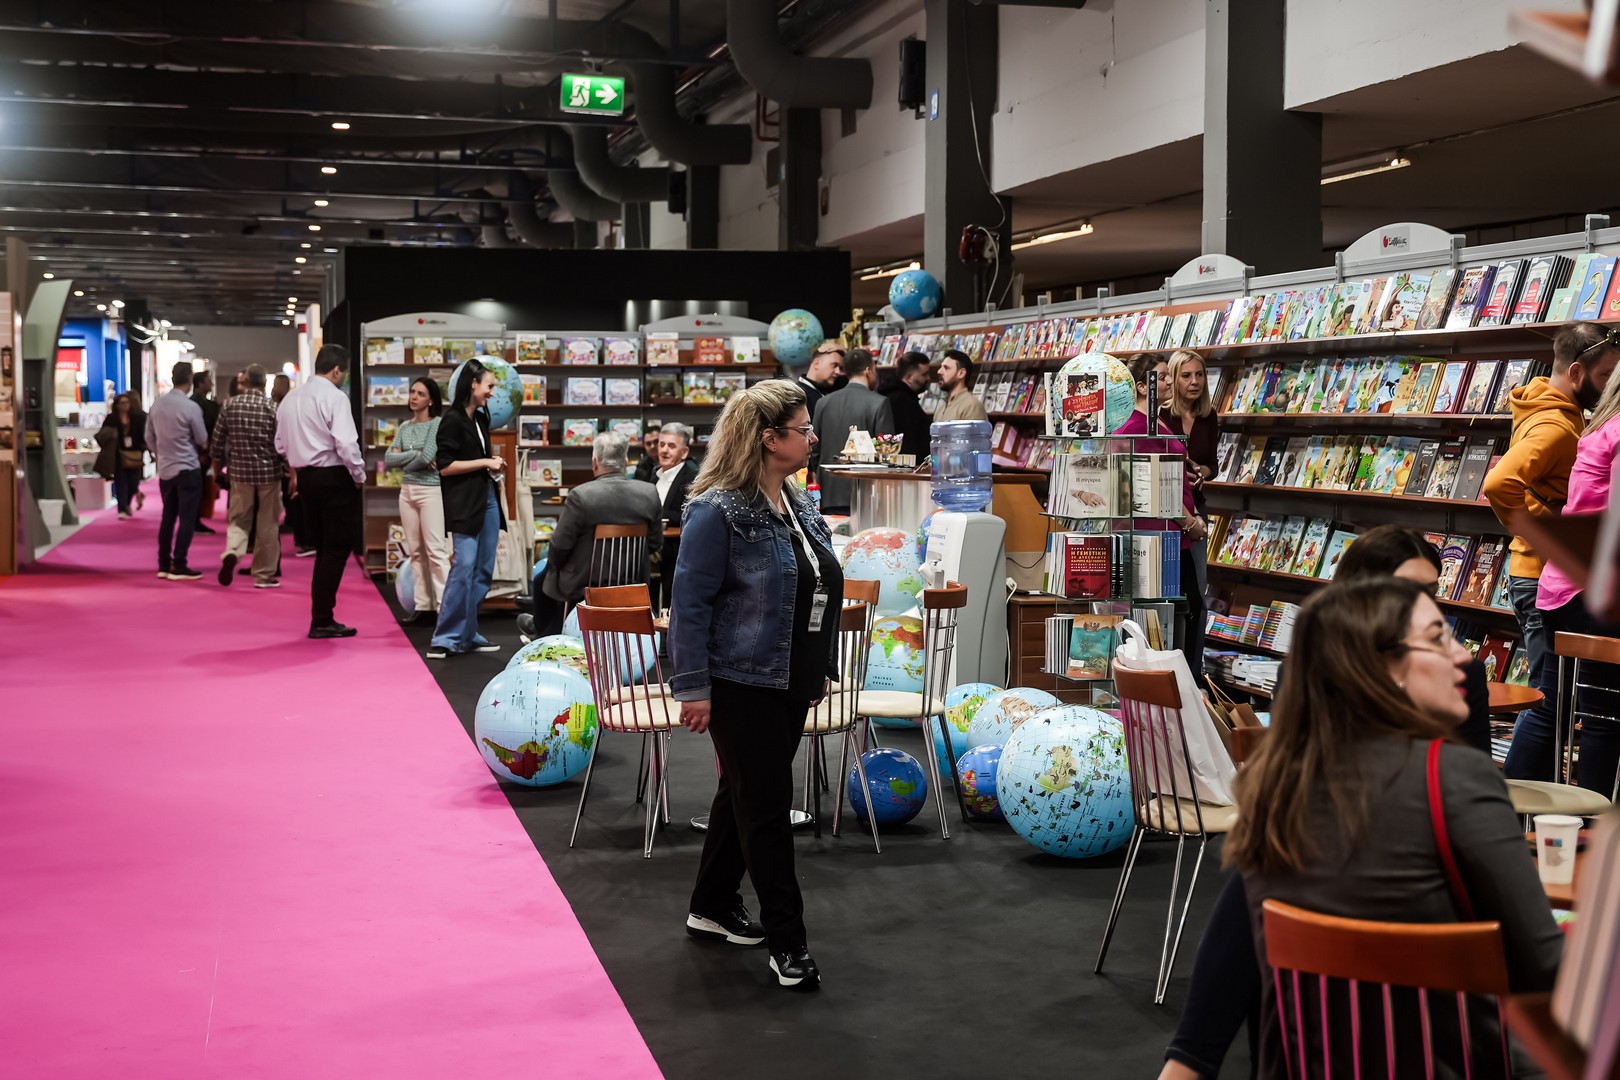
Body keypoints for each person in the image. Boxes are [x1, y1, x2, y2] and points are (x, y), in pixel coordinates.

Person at [1161, 527, 1497, 1080]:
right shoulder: (1314, 669)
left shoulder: (1460, 675)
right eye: (1406, 592)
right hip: (1330, 842)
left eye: (1432, 594)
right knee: (1271, 866)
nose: (1425, 609)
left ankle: (1187, 1066)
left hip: (1426, 854)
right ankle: (1195, 1062)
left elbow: (1475, 790)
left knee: (1265, 876)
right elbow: (1300, 777)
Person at [1228, 578, 1561, 1078]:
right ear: (1383, 671)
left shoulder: (1276, 787)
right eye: (1438, 638)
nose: (1464, 657)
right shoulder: (1453, 778)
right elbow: (1546, 967)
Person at [670, 379, 844, 991]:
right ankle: (788, 942)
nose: (812, 437)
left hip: (791, 676)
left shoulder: (798, 504)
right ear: (770, 438)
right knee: (767, 807)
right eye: (803, 428)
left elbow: (819, 589)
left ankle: (711, 905)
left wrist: (819, 666)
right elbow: (689, 604)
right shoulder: (716, 510)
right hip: (739, 681)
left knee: (743, 793)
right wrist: (693, 687)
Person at [1483, 321, 1620, 740]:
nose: (1610, 386)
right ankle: (1519, 782)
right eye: (1605, 375)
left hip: (1543, 575)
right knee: (1549, 703)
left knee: (1555, 700)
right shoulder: (1556, 426)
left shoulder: (1548, 407)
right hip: (1541, 571)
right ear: (1576, 372)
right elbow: (1498, 483)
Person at [1505, 358, 1620, 794]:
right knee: (1605, 716)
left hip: (1561, 585)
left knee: (1552, 706)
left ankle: (1506, 814)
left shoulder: (1598, 428)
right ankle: (1593, 824)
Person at [1112, 353, 1208, 686]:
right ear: (1143, 387)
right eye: (1163, 376)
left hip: (1168, 534)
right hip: (1161, 537)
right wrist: (1191, 523)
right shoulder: (1139, 427)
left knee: (1182, 611)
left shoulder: (1156, 422)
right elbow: (1154, 487)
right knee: (1182, 612)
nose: (1170, 381)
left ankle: (1181, 686)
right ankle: (1183, 689)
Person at [518, 431, 662, 642]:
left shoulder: (581, 495)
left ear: (595, 462)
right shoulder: (649, 492)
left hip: (585, 583)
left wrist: (557, 564)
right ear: (624, 461)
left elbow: (559, 546)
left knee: (543, 577)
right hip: (632, 582)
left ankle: (546, 633)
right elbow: (655, 543)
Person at [275, 344, 366, 639]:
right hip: (333, 477)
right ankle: (322, 618)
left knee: (324, 549)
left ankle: (322, 616)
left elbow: (280, 444)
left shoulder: (290, 398)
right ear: (337, 370)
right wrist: (359, 475)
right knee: (336, 548)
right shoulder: (335, 397)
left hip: (306, 478)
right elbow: (347, 444)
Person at [426, 360, 509, 660]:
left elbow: (476, 460)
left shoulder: (481, 418)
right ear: (473, 384)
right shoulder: (452, 420)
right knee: (464, 567)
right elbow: (445, 466)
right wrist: (486, 462)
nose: (492, 392)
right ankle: (445, 637)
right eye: (489, 386)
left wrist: (493, 467)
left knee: (483, 570)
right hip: (464, 503)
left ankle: (468, 634)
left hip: (487, 497)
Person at [210, 364, 284, 589]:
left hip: (240, 473)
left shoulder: (230, 405)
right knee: (268, 524)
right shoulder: (273, 407)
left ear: (247, 381)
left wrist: (217, 470)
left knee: (239, 519)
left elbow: (217, 443)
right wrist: (290, 470)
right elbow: (282, 443)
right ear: (265, 383)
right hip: (269, 474)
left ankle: (233, 551)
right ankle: (263, 574)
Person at [385, 377, 450, 625]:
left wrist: (405, 458)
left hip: (430, 491)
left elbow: (428, 456)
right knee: (415, 552)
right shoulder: (404, 426)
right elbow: (389, 459)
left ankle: (445, 609)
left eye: (420, 394)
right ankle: (424, 606)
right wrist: (415, 455)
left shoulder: (437, 424)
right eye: (412, 392)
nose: (414, 397)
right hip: (407, 492)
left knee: (435, 551)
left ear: (431, 400)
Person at [1163, 349, 1220, 607]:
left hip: (1197, 506)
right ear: (1173, 379)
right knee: (1170, 584)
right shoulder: (1161, 415)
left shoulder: (1209, 416)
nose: (1195, 382)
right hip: (1168, 509)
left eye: (1199, 375)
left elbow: (1213, 465)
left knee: (1197, 584)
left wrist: (1202, 472)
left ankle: (1195, 634)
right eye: (1186, 376)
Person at [809, 348, 895, 515]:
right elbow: (885, 454)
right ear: (868, 370)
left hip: (828, 494)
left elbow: (814, 451)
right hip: (866, 496)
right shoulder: (880, 403)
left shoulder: (823, 403)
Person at [144, 362, 210, 581]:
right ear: (190, 379)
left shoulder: (157, 405)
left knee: (168, 517)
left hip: (166, 469)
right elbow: (202, 438)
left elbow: (148, 437)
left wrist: (161, 453)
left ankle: (163, 564)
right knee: (187, 518)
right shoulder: (190, 407)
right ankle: (179, 563)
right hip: (188, 467)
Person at [651, 422, 699, 611]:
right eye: (661, 444)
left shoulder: (692, 477)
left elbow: (690, 514)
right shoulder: (654, 474)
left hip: (677, 549)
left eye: (671, 446)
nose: (664, 450)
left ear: (684, 452)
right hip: (653, 547)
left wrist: (657, 513)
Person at [271, 372, 313, 557]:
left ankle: (305, 538)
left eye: (278, 384)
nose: (275, 388)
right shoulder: (284, 404)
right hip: (290, 462)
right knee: (294, 500)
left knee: (297, 499)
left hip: (295, 462)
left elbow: (282, 440)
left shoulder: (287, 405)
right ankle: (301, 536)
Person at [95, 393, 147, 519]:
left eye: (127, 402)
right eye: (123, 403)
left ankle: (127, 504)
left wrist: (144, 448)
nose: (126, 405)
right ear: (117, 405)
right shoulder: (112, 418)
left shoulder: (136, 417)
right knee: (121, 482)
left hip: (134, 454)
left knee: (133, 483)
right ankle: (122, 509)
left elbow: (143, 434)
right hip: (117, 454)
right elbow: (103, 435)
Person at [878, 351, 934, 461]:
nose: (928, 378)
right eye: (924, 374)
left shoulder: (900, 396)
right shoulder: (902, 401)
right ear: (909, 378)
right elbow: (908, 439)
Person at [190, 371, 222, 535]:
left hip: (204, 451)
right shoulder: (195, 403)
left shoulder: (204, 402)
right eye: (209, 381)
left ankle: (195, 520)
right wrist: (201, 451)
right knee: (196, 488)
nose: (212, 384)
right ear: (200, 383)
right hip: (199, 452)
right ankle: (194, 521)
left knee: (200, 487)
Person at [932, 349, 990, 424]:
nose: (939, 371)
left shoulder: (971, 406)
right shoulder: (941, 408)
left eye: (946, 368)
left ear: (961, 373)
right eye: (941, 367)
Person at [796, 342, 845, 419]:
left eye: (840, 368)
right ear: (816, 364)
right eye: (834, 365)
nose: (838, 372)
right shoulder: (799, 396)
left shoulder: (828, 387)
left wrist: (844, 350)